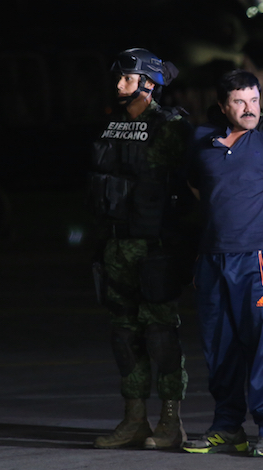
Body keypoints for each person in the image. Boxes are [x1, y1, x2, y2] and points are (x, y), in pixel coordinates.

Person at [182, 70, 263, 457]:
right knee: (218, 346)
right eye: (240, 101)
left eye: (255, 100)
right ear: (224, 105)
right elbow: (194, 184)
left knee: (262, 345)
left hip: (258, 258)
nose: (250, 108)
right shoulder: (200, 142)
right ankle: (227, 426)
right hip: (212, 258)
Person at [88, 48, 194, 450]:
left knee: (162, 335)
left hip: (155, 248)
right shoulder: (110, 125)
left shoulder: (171, 127)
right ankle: (134, 419)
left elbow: (190, 189)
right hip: (116, 246)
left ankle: (170, 423)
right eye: (118, 78)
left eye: (128, 78)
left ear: (149, 84)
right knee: (123, 334)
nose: (119, 85)